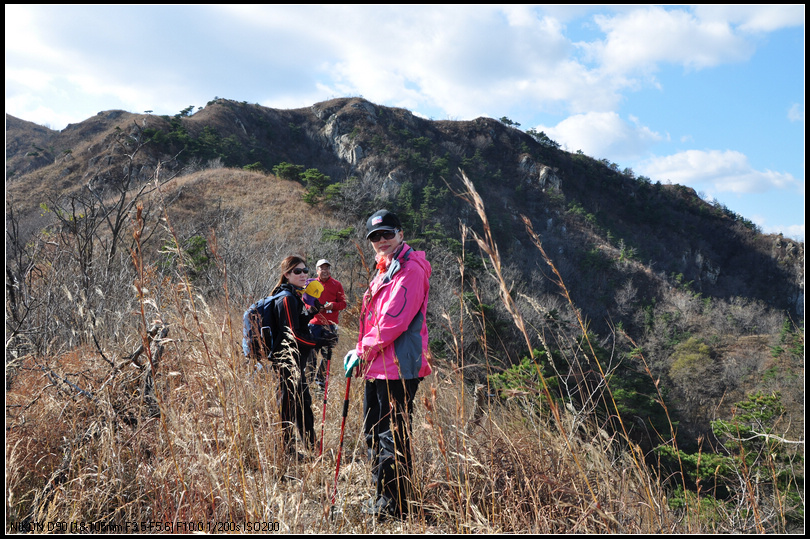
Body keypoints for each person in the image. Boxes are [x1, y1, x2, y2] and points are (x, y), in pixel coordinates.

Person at [344, 209, 432, 520]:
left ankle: (393, 508)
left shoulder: (410, 270)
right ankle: (385, 498)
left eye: (387, 234)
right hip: (379, 364)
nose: (381, 240)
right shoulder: (386, 269)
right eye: (375, 237)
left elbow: (393, 320)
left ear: (400, 234)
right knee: (374, 432)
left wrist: (361, 350)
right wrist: (361, 351)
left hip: (397, 368)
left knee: (390, 436)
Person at [263, 256, 324, 457]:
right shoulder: (287, 298)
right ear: (286, 274)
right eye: (297, 271)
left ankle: (311, 447)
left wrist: (311, 312)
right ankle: (287, 451)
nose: (303, 274)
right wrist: (319, 342)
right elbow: (292, 334)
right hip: (286, 361)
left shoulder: (295, 296)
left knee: (302, 403)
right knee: (289, 405)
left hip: (294, 360)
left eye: (305, 270)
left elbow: (296, 326)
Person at [307, 259, 346, 389]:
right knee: (311, 355)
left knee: (327, 356)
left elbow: (343, 303)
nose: (325, 271)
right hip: (314, 325)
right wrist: (316, 307)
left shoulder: (337, 284)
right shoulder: (311, 284)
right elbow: (306, 302)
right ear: (317, 270)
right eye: (322, 268)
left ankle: (321, 382)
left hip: (330, 325)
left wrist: (333, 305)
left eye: (327, 268)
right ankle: (308, 380)